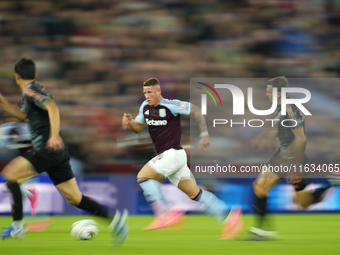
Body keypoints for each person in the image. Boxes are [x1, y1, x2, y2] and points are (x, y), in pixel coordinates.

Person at [0, 58, 128, 245]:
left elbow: (52, 107)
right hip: (57, 153)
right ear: (34, 74)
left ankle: (18, 227)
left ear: (16, 76)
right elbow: (24, 116)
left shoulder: (31, 90)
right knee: (75, 198)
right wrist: (3, 102)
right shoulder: (27, 96)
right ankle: (115, 220)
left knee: (11, 177)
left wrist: (54, 136)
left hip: (47, 148)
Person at [122, 77, 243, 240]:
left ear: (159, 91)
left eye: (150, 92)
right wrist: (129, 123)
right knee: (196, 194)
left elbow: (196, 110)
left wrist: (204, 134)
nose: (147, 96)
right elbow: (138, 127)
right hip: (169, 157)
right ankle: (229, 218)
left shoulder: (171, 105)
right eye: (145, 93)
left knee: (143, 177)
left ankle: (166, 213)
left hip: (173, 153)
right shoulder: (145, 107)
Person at [243, 76, 336, 241]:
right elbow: (279, 124)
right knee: (264, 188)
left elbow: (301, 138)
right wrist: (265, 137)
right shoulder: (282, 106)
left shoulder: (290, 106)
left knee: (299, 202)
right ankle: (262, 231)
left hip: (293, 156)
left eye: (269, 91)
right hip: (283, 154)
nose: (266, 93)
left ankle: (330, 184)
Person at [0, 119, 38, 216]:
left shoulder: (14, 128)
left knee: (9, 186)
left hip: (31, 160)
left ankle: (29, 193)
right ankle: (29, 193)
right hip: (25, 160)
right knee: (7, 187)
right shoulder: (10, 128)